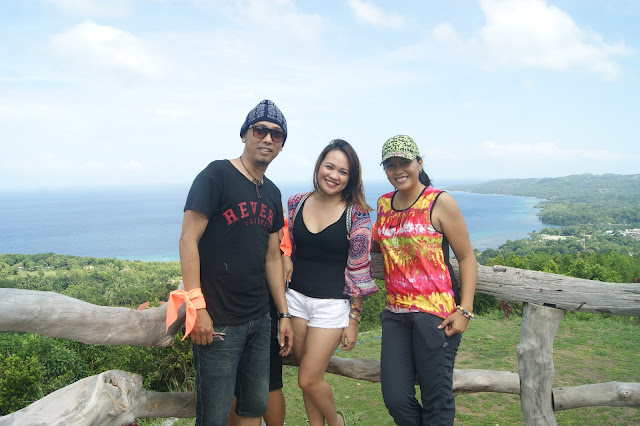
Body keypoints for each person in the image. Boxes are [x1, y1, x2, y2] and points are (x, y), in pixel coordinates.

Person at [166, 99, 294, 426]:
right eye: (260, 130)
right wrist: (198, 308)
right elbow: (188, 240)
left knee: (252, 407)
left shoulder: (272, 193)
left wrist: (281, 314)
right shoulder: (216, 176)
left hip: (259, 319)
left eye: (276, 135)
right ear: (244, 135)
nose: (267, 138)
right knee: (214, 415)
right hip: (218, 322)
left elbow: (271, 256)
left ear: (281, 145)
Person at [372, 135, 477, 426]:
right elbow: (373, 245)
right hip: (395, 315)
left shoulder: (439, 202)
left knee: (436, 399)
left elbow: (467, 257)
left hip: (436, 317)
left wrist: (465, 309)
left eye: (404, 162)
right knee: (395, 398)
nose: (398, 170)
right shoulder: (383, 204)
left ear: (419, 163)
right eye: (390, 165)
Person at [283, 139, 378, 426]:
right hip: (295, 299)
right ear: (319, 166)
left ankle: (336, 422)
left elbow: (359, 270)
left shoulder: (356, 214)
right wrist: (285, 255)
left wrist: (354, 319)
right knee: (306, 380)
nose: (334, 175)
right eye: (330, 166)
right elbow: (285, 243)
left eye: (343, 171)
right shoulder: (296, 203)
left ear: (351, 178)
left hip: (332, 305)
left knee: (309, 378)